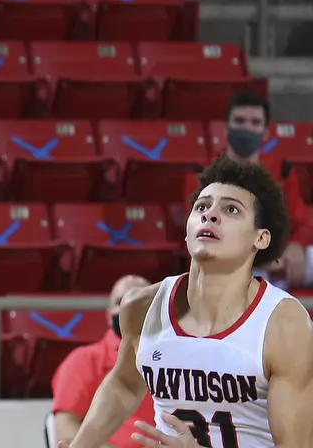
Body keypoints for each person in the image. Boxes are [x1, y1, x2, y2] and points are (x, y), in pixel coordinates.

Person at [63, 156, 313, 448]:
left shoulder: (284, 324)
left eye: (231, 209)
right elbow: (125, 384)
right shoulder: (142, 307)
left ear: (260, 238)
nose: (210, 215)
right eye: (202, 207)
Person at [184, 90, 313, 289]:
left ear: (265, 131)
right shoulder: (202, 174)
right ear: (226, 128)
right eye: (239, 121)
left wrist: (296, 246)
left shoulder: (282, 170)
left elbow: (301, 221)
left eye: (255, 122)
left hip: (279, 261)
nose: (247, 128)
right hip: (226, 263)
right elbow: (198, 230)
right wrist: (260, 258)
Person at [50, 274, 152, 448]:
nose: (128, 307)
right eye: (120, 302)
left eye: (138, 301)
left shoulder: (175, 360)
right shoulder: (83, 360)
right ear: (108, 314)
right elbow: (65, 427)